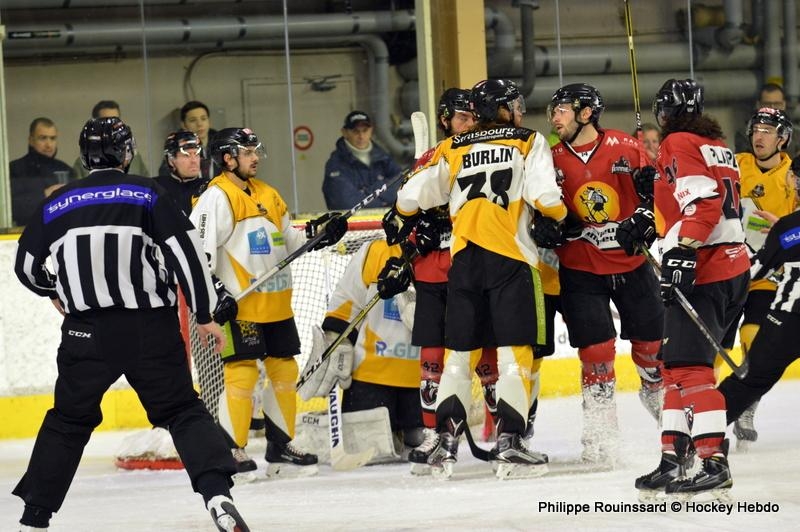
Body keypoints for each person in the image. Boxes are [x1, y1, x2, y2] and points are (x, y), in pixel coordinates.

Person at [11, 116, 248, 531]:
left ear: (84, 157)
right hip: (150, 330)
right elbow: (187, 256)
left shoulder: (57, 202)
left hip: (85, 333)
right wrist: (206, 310)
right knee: (181, 410)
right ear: (127, 152)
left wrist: (55, 290)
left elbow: (27, 267)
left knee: (67, 421)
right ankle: (217, 496)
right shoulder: (147, 192)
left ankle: (34, 517)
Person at [395, 79, 568, 479]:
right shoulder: (528, 140)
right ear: (503, 109)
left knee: (458, 356)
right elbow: (546, 199)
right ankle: (510, 444)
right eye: (515, 104)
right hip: (511, 260)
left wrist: (410, 218)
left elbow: (408, 199)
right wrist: (559, 219)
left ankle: (444, 446)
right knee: (513, 356)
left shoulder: (454, 146)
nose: (521, 111)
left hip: (464, 261)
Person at [189, 127, 348, 479]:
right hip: (239, 306)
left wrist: (319, 233)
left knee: (284, 370)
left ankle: (280, 446)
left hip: (276, 304)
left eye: (255, 151)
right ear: (228, 158)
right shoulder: (216, 197)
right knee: (242, 373)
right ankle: (233, 448)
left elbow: (289, 240)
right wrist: (216, 291)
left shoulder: (267, 193)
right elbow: (197, 253)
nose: (255, 157)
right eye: (247, 152)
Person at [536, 83, 665, 465]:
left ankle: (666, 413)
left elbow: (660, 198)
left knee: (652, 354)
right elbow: (537, 210)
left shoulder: (627, 147)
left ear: (586, 113)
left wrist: (647, 210)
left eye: (561, 110)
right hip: (580, 270)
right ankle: (600, 434)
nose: (553, 117)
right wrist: (545, 227)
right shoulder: (551, 158)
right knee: (595, 355)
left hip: (632, 265)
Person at [633, 79, 750, 500]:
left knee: (689, 370)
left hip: (705, 266)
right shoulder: (715, 142)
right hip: (732, 265)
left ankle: (712, 461)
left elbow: (703, 202)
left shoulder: (678, 141)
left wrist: (682, 249)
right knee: (673, 366)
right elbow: (695, 198)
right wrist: (655, 209)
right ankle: (672, 458)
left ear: (664, 113)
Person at [383, 88, 501, 474]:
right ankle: (435, 434)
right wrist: (416, 235)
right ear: (446, 120)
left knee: (485, 352)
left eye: (473, 118)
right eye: (462, 118)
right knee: (432, 355)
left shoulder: (483, 154)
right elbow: (401, 217)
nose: (469, 124)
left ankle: (504, 432)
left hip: (474, 265)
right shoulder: (431, 159)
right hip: (434, 270)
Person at [298, 237, 425, 458]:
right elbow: (348, 298)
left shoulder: (448, 249)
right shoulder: (376, 250)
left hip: (424, 379)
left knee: (420, 443)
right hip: (370, 376)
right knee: (370, 450)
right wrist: (336, 338)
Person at [720, 107, 795, 450]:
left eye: (768, 131)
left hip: (771, 275)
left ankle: (746, 405)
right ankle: (705, 408)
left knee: (755, 340)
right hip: (730, 266)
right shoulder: (736, 164)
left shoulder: (791, 176)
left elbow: (793, 231)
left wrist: (781, 227)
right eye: (756, 130)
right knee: (715, 346)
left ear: (783, 139)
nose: (760, 136)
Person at [322, 110, 403, 209]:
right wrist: (383, 197)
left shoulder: (384, 158)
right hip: (351, 224)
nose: (361, 136)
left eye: (365, 130)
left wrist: (365, 193)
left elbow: (403, 187)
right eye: (355, 131)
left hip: (384, 222)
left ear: (371, 131)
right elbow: (346, 203)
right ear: (344, 132)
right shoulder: (335, 164)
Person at [9, 117, 75, 226]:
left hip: (61, 233)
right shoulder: (15, 169)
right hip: (26, 233)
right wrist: (44, 195)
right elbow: (10, 209)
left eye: (52, 138)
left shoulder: (66, 170)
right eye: (43, 138)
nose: (49, 144)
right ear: (31, 140)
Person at [72, 100, 149, 179]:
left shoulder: (134, 158)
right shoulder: (84, 163)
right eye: (107, 121)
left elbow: (146, 185)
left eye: (116, 120)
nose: (113, 125)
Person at [155, 129, 210, 216]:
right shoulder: (156, 187)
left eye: (197, 154)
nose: (194, 160)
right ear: (171, 160)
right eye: (186, 155)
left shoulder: (210, 187)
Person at [159, 100, 218, 180]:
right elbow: (165, 176)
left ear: (209, 121)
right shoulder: (175, 146)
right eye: (193, 120)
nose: (199, 124)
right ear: (183, 125)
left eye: (203, 119)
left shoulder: (220, 144)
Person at [734, 83, 793, 153]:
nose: (772, 109)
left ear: (784, 105)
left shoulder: (796, 135)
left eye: (777, 104)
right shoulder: (745, 135)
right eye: (767, 104)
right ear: (758, 105)